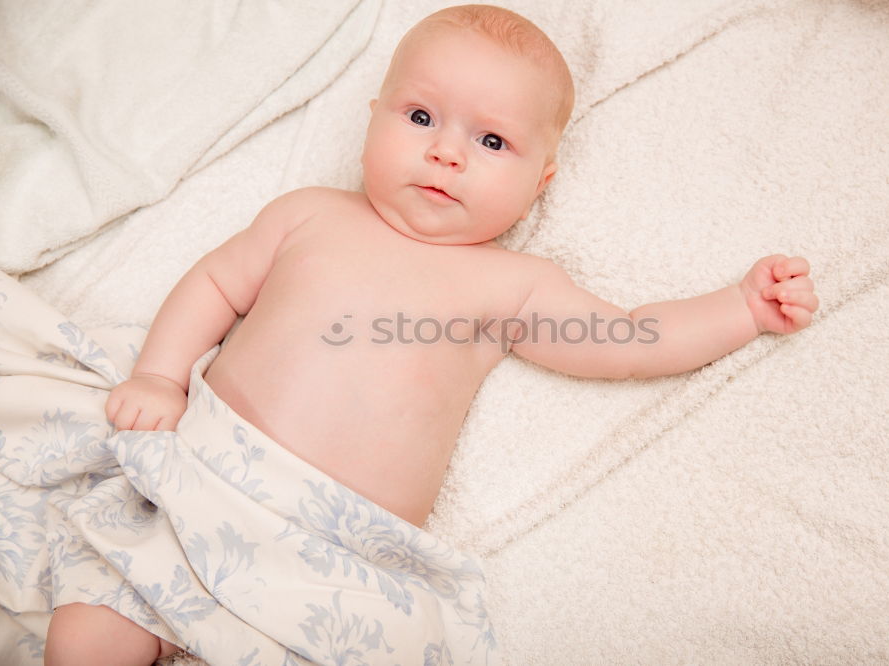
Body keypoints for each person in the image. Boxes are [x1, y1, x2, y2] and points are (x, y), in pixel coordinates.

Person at [43, 4, 818, 663]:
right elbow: (213, 282)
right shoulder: (309, 214)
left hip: (337, 556)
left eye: (492, 143)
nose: (446, 151)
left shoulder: (512, 285)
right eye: (420, 118)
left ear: (540, 180)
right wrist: (160, 374)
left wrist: (739, 310)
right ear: (373, 116)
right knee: (85, 634)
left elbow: (626, 340)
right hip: (201, 483)